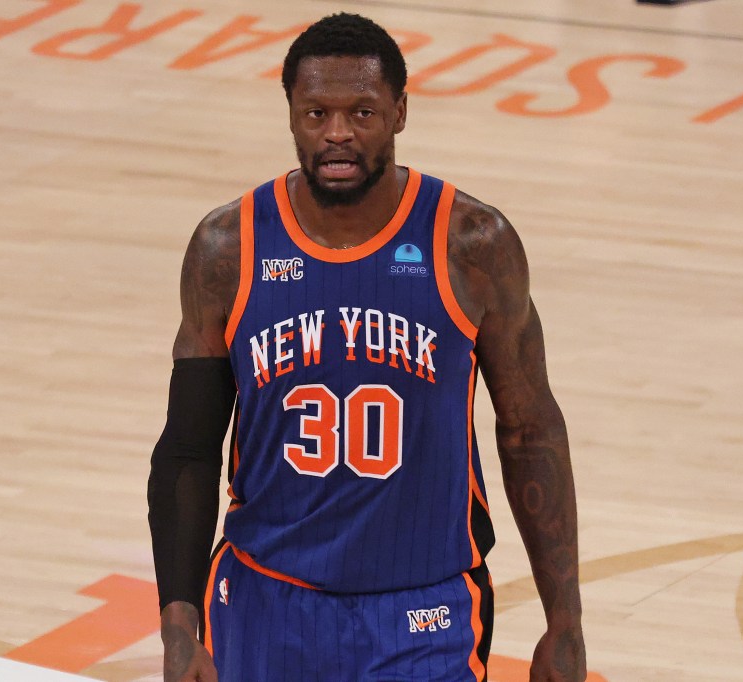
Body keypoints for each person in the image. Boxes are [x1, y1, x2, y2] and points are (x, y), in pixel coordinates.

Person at [148, 12, 586, 682]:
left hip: (426, 613)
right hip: (265, 601)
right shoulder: (227, 249)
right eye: (316, 112)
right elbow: (188, 448)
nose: (338, 134)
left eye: (363, 112)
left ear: (401, 113)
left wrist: (566, 622)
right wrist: (179, 626)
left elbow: (529, 429)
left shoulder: (474, 244)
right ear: (290, 113)